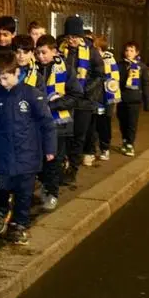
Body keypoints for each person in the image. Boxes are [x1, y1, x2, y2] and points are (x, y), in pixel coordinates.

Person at [0, 51, 56, 244]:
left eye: (6, 78)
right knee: (1, 189)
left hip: (27, 155)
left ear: (17, 72)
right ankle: (0, 214)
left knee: (24, 193)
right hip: (3, 156)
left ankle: (21, 224)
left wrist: (50, 148)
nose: (2, 82)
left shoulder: (31, 95)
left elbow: (47, 123)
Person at [29, 35, 82, 212]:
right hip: (37, 124)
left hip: (59, 124)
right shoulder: (32, 69)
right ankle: (45, 184)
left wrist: (52, 105)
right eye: (37, 53)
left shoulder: (65, 68)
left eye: (44, 52)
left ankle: (52, 192)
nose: (40, 56)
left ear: (54, 51)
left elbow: (76, 94)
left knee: (54, 160)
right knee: (39, 159)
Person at [58, 15, 104, 186]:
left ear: (81, 36)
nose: (71, 40)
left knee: (78, 136)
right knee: (64, 135)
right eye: (68, 37)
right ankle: (63, 165)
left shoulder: (91, 51)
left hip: (84, 102)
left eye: (75, 37)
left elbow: (100, 75)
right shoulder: (60, 50)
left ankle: (73, 169)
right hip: (65, 99)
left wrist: (85, 90)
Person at [85, 35, 120, 163]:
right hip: (94, 97)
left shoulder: (109, 60)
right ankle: (91, 151)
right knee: (92, 126)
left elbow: (113, 81)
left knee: (104, 124)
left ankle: (105, 148)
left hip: (105, 99)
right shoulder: (90, 60)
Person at [118, 41, 149, 157]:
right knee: (122, 121)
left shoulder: (141, 67)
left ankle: (130, 143)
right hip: (122, 99)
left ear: (137, 52)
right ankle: (125, 139)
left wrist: (148, 102)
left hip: (134, 99)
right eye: (127, 50)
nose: (128, 53)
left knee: (132, 123)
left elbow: (146, 85)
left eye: (131, 50)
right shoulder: (119, 65)